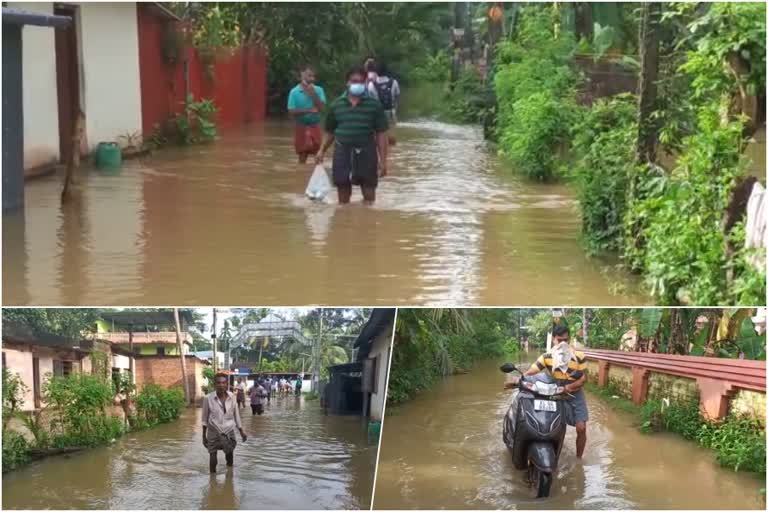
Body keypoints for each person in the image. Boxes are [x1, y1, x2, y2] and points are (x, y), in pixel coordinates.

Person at [316, 66, 389, 205]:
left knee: (369, 196)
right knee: (342, 195)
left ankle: (367, 223)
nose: (357, 85)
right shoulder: (336, 105)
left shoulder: (374, 106)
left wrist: (383, 161)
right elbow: (330, 131)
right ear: (347, 83)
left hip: (367, 153)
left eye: (361, 82)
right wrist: (321, 150)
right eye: (354, 81)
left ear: (365, 83)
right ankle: (344, 224)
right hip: (342, 152)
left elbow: (381, 134)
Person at [513, 325, 588, 458]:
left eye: (565, 340)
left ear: (569, 339)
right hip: (554, 393)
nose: (562, 343)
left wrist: (569, 388)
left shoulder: (579, 356)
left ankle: (579, 459)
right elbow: (533, 370)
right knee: (548, 423)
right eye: (559, 340)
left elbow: (583, 379)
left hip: (574, 394)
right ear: (554, 340)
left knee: (581, 428)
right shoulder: (547, 356)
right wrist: (520, 378)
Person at [202, 373, 248, 473]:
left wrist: (241, 431)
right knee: (212, 455)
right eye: (218, 383)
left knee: (229, 454)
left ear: (227, 384)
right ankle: (212, 480)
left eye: (223, 382)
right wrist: (203, 436)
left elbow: (236, 415)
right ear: (214, 384)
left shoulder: (232, 397)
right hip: (213, 431)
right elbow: (204, 419)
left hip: (229, 430)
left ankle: (229, 477)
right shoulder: (208, 398)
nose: (221, 385)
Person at [287, 64, 327, 164]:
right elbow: (291, 111)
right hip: (301, 126)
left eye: (313, 76)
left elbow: (322, 108)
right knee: (302, 155)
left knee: (318, 155)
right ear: (302, 74)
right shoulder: (294, 92)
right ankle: (300, 176)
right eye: (309, 76)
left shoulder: (319, 90)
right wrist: (308, 110)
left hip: (315, 125)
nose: (312, 79)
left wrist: (313, 94)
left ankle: (319, 178)